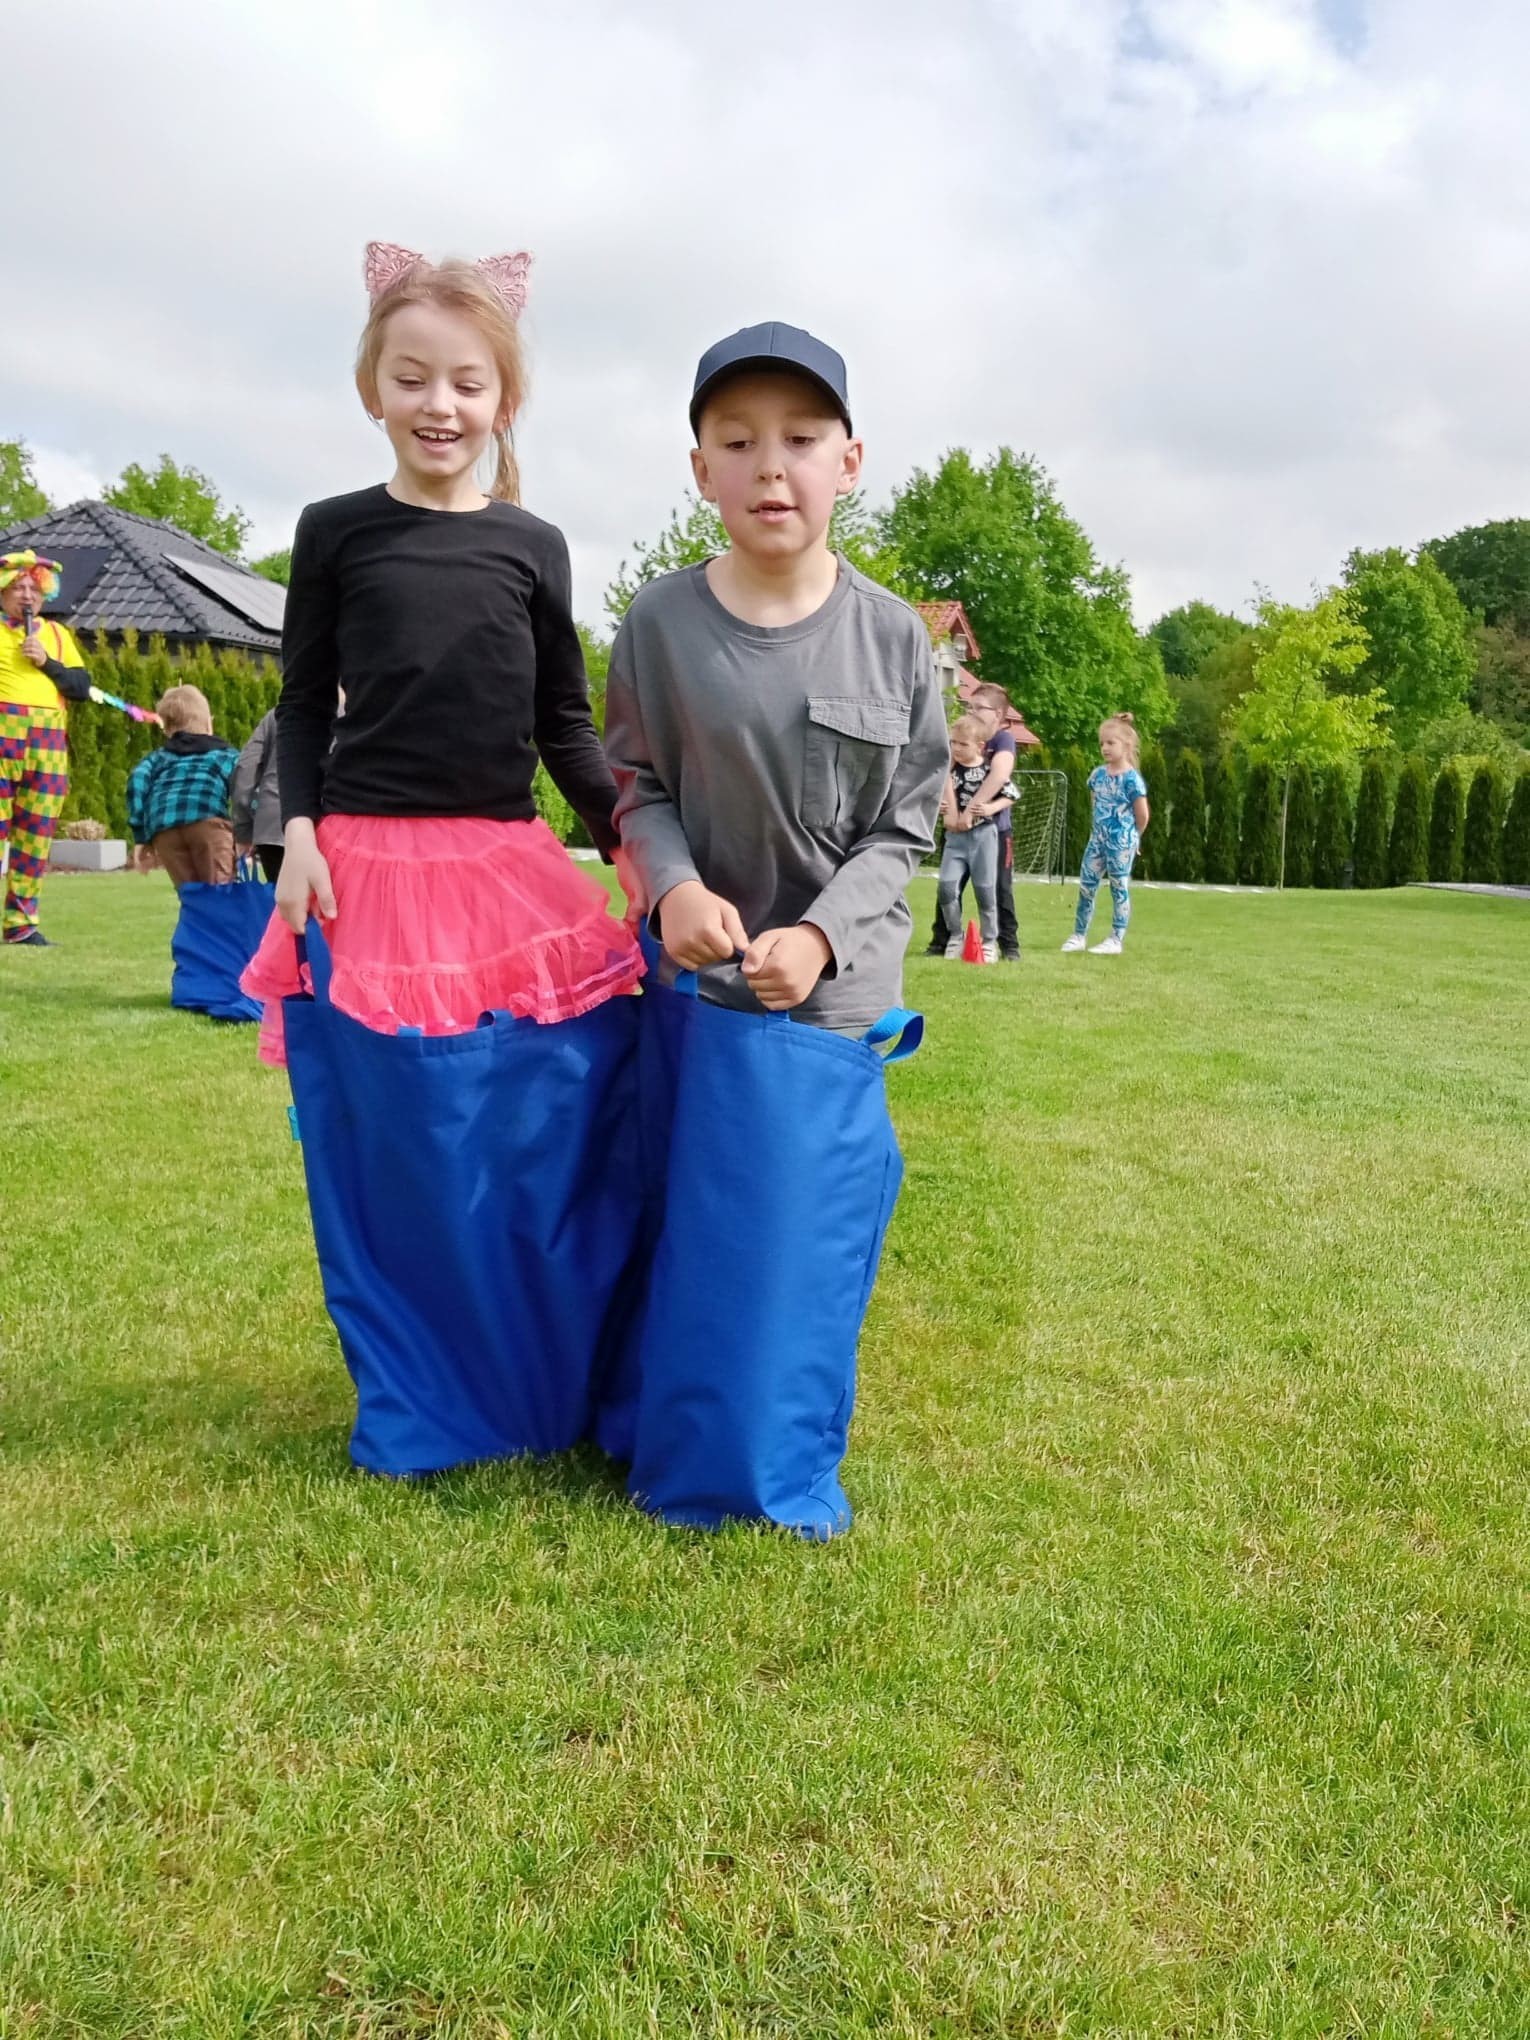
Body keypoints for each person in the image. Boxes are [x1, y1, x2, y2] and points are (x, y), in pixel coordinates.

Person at [241, 242, 641, 1057]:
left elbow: (563, 722)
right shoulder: (333, 530)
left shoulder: (535, 545)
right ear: (372, 390)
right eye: (412, 379)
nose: (439, 405)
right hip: (363, 868)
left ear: (504, 401)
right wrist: (297, 835)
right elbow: (305, 703)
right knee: (387, 1091)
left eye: (467, 384)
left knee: (510, 1092)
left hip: (503, 861)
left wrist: (624, 843)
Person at [0, 551, 91, 946]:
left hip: (48, 745)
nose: (26, 595)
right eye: (17, 587)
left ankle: (20, 925)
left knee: (35, 835)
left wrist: (47, 662)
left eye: (33, 588)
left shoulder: (56, 635)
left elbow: (81, 688)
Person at [923, 680, 1021, 961]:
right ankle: (944, 939)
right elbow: (943, 773)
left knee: (996, 887)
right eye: (969, 706)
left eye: (979, 707)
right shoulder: (960, 738)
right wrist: (949, 811)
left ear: (997, 715)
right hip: (956, 830)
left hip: (993, 831)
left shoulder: (1003, 741)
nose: (972, 711)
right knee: (948, 885)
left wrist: (971, 813)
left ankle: (1007, 944)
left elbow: (1000, 777)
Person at [127, 685, 239, 885]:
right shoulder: (224, 755)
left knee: (190, 894)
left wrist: (141, 837)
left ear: (167, 729)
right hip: (207, 820)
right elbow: (246, 785)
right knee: (221, 891)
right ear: (208, 723)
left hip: (164, 829)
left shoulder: (159, 758)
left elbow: (138, 779)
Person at [1062, 712, 1150, 955]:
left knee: (1118, 887)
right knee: (1086, 885)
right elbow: (1095, 804)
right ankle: (1079, 934)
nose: (1105, 748)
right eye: (1102, 743)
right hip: (1097, 840)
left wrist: (1133, 838)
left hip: (1121, 842)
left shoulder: (1131, 780)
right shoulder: (1098, 775)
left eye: (1111, 742)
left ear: (1126, 745)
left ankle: (1115, 938)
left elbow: (1142, 814)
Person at [936, 713, 1003, 959]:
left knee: (985, 890)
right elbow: (933, 796)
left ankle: (989, 940)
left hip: (983, 836)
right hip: (955, 839)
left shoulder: (988, 771)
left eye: (963, 744)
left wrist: (991, 808)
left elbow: (1010, 793)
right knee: (946, 888)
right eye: (953, 742)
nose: (957, 748)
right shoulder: (948, 771)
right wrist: (939, 807)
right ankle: (956, 935)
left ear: (979, 746)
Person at [231, 706, 285, 881]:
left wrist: (244, 831)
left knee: (280, 894)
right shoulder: (350, 712)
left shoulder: (276, 715)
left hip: (273, 824)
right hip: (327, 825)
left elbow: (245, 769)